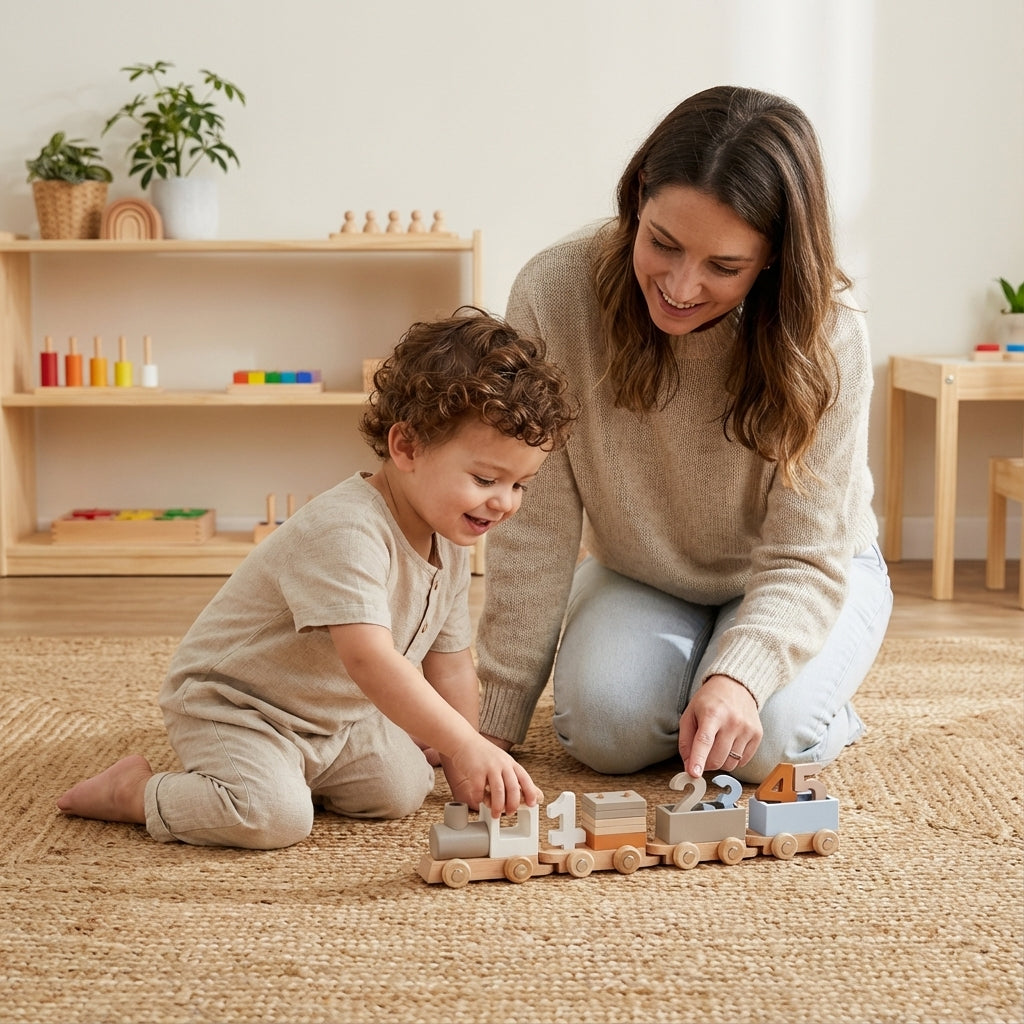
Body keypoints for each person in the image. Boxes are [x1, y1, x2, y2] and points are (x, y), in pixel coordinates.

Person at [475, 85, 893, 785]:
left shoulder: (830, 336)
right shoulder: (554, 292)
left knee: (765, 748)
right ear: (638, 197)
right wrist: (496, 715)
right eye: (662, 242)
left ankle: (812, 708)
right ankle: (704, 677)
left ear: (773, 258)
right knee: (603, 732)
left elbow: (805, 553)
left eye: (723, 267)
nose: (679, 284)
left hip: (803, 572)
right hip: (643, 571)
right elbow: (535, 524)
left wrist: (738, 679)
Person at [57, 308, 577, 849]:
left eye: (521, 485)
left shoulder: (451, 534)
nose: (504, 503)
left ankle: (288, 774)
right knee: (273, 819)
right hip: (238, 707)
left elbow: (449, 664)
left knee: (403, 787)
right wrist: (464, 745)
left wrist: (461, 752)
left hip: (335, 718)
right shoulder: (346, 529)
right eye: (486, 478)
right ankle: (135, 792)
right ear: (407, 448)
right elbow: (369, 661)